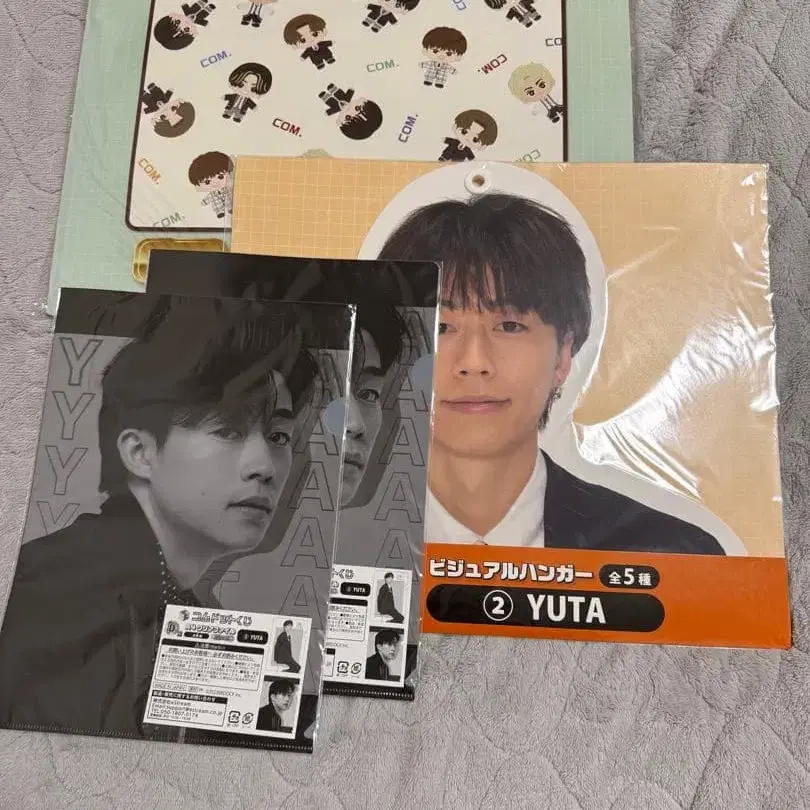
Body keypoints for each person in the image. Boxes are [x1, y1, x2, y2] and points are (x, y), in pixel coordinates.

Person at [0, 295, 321, 735]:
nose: (265, 466)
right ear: (140, 452)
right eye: (229, 429)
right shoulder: (67, 597)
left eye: (279, 436)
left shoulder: (163, 595)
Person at [377, 193, 727, 555]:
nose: (474, 362)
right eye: (440, 327)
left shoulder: (672, 552)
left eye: (509, 326)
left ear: (562, 354)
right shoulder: (341, 540)